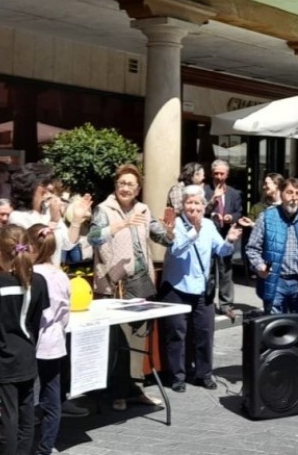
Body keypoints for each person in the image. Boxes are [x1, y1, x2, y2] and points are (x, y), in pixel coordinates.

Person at [88, 163, 173, 411]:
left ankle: (135, 389)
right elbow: (93, 238)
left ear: (138, 189)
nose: (125, 188)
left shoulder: (143, 210)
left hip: (140, 282)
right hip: (114, 285)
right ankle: (116, 392)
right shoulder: (104, 210)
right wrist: (116, 227)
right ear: (116, 186)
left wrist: (170, 230)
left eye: (130, 184)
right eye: (121, 183)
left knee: (138, 340)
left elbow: (161, 237)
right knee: (118, 341)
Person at [161, 185, 241, 392]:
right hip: (177, 288)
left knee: (205, 332)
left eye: (197, 203)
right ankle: (177, 376)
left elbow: (220, 250)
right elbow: (177, 250)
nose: (194, 207)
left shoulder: (208, 224)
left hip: (201, 288)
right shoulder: (176, 224)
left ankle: (204, 374)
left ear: (204, 206)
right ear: (183, 205)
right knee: (177, 334)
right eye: (190, 202)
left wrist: (230, 240)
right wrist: (193, 233)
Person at [245, 177, 298, 388]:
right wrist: (259, 266)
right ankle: (273, 373)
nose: (294, 198)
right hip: (275, 282)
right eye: (290, 193)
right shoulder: (267, 217)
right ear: (281, 193)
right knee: (274, 330)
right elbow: (252, 248)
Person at [0, 224, 50, 455]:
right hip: (27, 352)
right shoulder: (38, 280)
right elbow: (38, 317)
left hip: (3, 355)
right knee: (26, 412)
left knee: (7, 417)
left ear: (0, 251)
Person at [26, 224, 70, 455]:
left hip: (32, 341)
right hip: (54, 342)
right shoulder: (61, 275)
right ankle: (47, 445)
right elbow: (65, 312)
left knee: (26, 395)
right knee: (52, 395)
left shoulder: (30, 276)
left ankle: (21, 442)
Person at [9, 162, 91, 266]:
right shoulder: (17, 217)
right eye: (45, 183)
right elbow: (36, 249)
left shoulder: (48, 210)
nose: (51, 187)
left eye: (50, 182)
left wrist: (77, 218)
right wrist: (54, 221)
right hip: (33, 276)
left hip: (52, 274)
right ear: (30, 186)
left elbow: (68, 244)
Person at [204, 159, 243, 318]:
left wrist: (230, 217)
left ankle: (226, 305)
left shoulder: (234, 193)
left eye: (222, 173)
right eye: (216, 173)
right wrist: (213, 201)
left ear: (227, 174)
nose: (219, 176)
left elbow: (239, 212)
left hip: (226, 236)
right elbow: (201, 212)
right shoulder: (205, 191)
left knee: (226, 272)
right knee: (210, 272)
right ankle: (208, 302)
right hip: (209, 237)